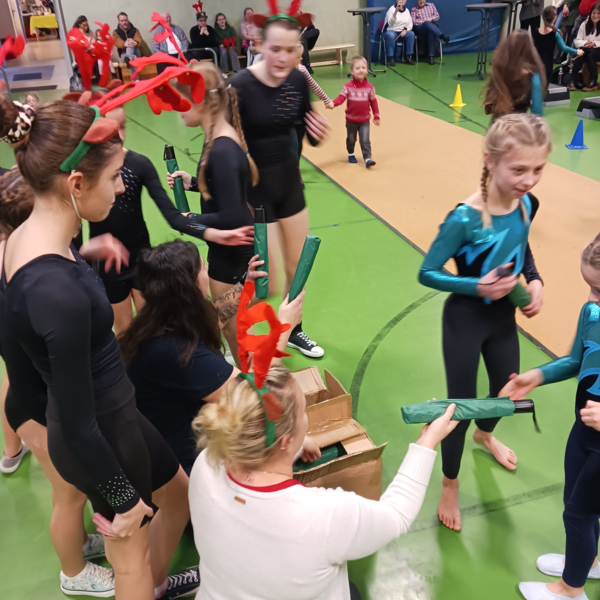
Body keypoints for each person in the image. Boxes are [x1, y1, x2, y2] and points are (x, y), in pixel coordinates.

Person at [0, 95, 198, 600]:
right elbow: (76, 423)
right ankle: (144, 583)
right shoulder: (55, 293)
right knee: (129, 559)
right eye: (114, 178)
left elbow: (48, 288)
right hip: (100, 437)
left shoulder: (32, 237)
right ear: (75, 185)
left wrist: (87, 250)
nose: (122, 187)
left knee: (179, 494)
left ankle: (155, 585)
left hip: (119, 414)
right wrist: (121, 498)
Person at [189, 351, 458, 599]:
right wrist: (427, 442)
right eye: (302, 413)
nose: (305, 418)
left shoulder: (205, 464)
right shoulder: (322, 515)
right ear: (285, 440)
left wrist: (295, 445)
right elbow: (396, 515)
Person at [418, 113, 550, 532]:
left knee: (504, 394)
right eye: (519, 169)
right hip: (465, 320)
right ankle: (450, 482)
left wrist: (535, 280)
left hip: (503, 321)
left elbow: (522, 247)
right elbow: (427, 272)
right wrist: (477, 286)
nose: (529, 180)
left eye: (538, 169)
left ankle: (485, 434)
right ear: (490, 160)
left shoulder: (526, 203)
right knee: (460, 407)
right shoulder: (464, 218)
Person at [0, 166, 126, 595]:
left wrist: (86, 250)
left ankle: (78, 542)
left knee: (74, 490)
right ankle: (74, 573)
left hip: (36, 398)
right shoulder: (24, 285)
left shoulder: (19, 258)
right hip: (35, 408)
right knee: (69, 494)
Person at [122, 241, 302, 476]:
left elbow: (212, 317)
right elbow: (254, 395)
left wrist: (246, 284)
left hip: (169, 446)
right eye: (202, 267)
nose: (207, 268)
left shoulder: (158, 318)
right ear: (192, 285)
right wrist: (285, 327)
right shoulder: (178, 352)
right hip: (188, 466)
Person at [85, 98, 254, 336]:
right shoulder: (84, 172)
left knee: (151, 328)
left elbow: (173, 217)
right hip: (109, 265)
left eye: (122, 126)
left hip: (140, 259)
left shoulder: (139, 164)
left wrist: (211, 233)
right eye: (112, 129)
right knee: (123, 329)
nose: (120, 136)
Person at [501, 234, 600, 600]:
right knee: (577, 502)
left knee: (577, 514)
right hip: (583, 432)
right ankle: (587, 562)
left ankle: (570, 590)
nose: (592, 298)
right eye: (590, 287)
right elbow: (576, 359)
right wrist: (537, 375)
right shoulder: (592, 313)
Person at [230, 13, 329, 359]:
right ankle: (227, 328)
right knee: (266, 282)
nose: (283, 58)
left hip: (290, 188)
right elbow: (223, 142)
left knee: (297, 270)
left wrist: (316, 133)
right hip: (256, 195)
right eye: (276, 49)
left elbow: (304, 128)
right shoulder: (240, 85)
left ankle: (293, 332)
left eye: (291, 50)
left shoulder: (298, 80)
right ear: (260, 45)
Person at [165, 61, 258, 359]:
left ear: (202, 101)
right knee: (228, 325)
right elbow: (227, 192)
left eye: (182, 100)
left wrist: (189, 219)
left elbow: (233, 217)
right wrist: (193, 183)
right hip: (226, 251)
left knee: (231, 327)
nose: (178, 108)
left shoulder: (222, 149)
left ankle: (250, 380)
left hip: (233, 255)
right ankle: (245, 373)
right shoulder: (216, 138)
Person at [330, 55, 380, 168]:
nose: (361, 70)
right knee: (351, 139)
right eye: (357, 68)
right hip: (351, 120)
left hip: (364, 120)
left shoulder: (370, 87)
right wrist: (333, 103)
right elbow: (341, 98)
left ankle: (367, 158)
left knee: (365, 140)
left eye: (363, 67)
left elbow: (373, 102)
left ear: (367, 70)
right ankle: (351, 153)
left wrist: (376, 115)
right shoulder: (348, 86)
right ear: (352, 71)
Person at [483, 30, 546, 120]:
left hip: (498, 124)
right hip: (518, 125)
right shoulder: (533, 77)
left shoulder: (500, 70)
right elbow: (537, 112)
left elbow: (489, 107)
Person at [532, 6, 583, 87]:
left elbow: (533, 47)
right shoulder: (555, 32)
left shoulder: (536, 31)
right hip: (547, 63)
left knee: (536, 85)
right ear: (555, 18)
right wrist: (576, 51)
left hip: (536, 62)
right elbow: (564, 48)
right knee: (544, 86)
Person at [571, 3, 600, 91]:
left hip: (597, 51)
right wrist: (585, 43)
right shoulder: (584, 24)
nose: (595, 15)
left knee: (591, 54)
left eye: (598, 13)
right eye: (594, 13)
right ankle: (572, 80)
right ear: (590, 14)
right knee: (580, 53)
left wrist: (594, 43)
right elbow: (577, 41)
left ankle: (593, 80)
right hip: (586, 49)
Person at [410, 0, 449, 65]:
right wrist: (425, 21)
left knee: (431, 31)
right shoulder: (414, 9)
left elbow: (437, 16)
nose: (421, 1)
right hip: (421, 29)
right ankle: (441, 35)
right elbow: (413, 21)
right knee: (427, 24)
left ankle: (431, 57)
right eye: (419, 0)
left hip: (432, 28)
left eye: (422, 0)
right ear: (417, 1)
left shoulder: (431, 5)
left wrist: (431, 19)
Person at [384, 0, 415, 66]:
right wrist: (396, 11)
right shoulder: (391, 9)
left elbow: (410, 24)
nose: (402, 1)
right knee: (390, 35)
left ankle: (408, 57)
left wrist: (405, 30)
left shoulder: (407, 11)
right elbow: (390, 23)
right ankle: (391, 58)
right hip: (391, 30)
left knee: (411, 34)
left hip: (402, 31)